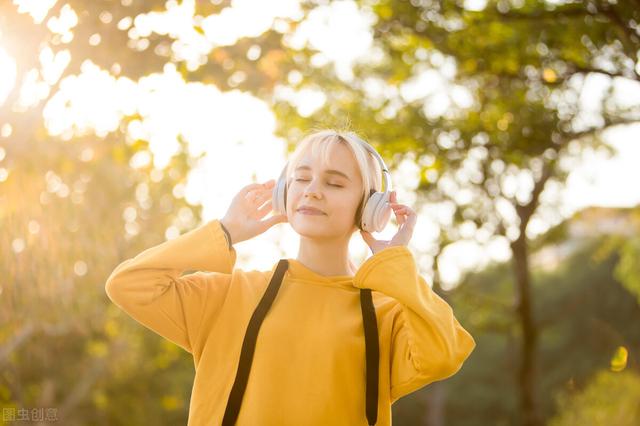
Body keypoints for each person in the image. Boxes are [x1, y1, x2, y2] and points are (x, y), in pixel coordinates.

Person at [105, 129, 476, 426]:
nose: (312, 189)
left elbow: (443, 354)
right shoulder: (230, 294)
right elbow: (129, 285)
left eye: (334, 183)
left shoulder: (387, 313)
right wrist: (226, 231)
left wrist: (395, 262)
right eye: (301, 178)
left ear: (369, 208)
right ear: (286, 192)